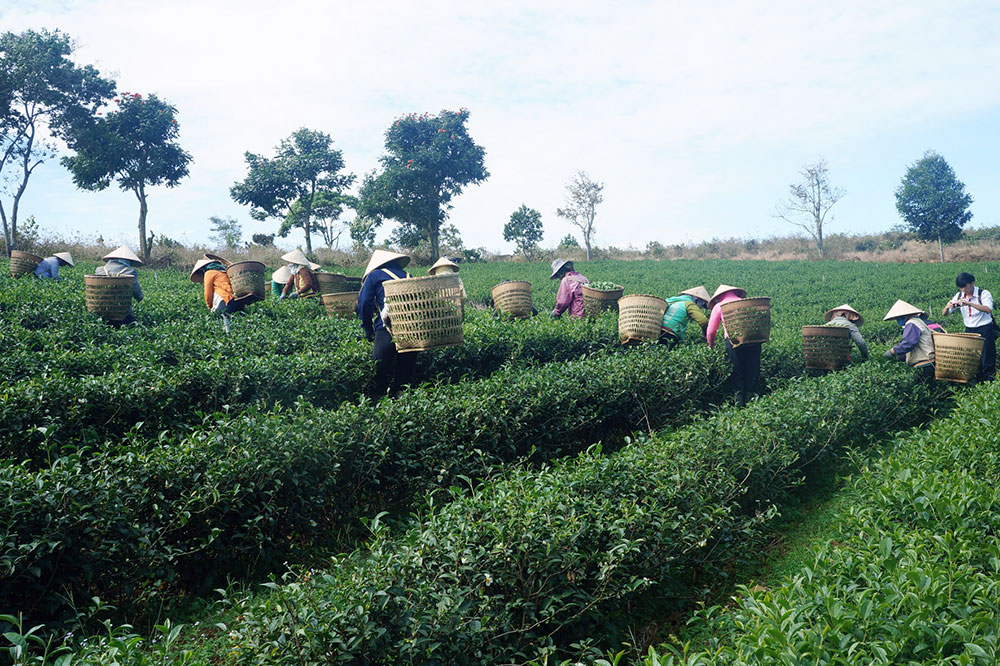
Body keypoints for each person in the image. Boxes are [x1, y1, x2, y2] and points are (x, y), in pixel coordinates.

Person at [357, 250, 415, 398]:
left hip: (386, 329)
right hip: (412, 330)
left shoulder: (375, 276)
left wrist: (368, 329)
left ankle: (378, 408)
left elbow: (364, 304)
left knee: (379, 374)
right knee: (404, 380)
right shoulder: (409, 276)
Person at [706, 284, 760, 405]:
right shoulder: (745, 303)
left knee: (736, 371)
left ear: (719, 296)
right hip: (754, 341)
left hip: (733, 342)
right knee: (752, 371)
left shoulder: (719, 306)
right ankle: (752, 403)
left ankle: (738, 404)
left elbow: (711, 331)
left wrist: (711, 345)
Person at [942, 272, 995, 381]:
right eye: (960, 287)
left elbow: (988, 309)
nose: (963, 290)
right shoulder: (959, 296)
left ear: (972, 283)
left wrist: (969, 304)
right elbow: (944, 314)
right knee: (973, 359)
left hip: (985, 328)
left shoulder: (983, 293)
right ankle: (978, 382)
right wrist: (948, 307)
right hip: (970, 330)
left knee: (987, 357)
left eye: (964, 287)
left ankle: (990, 381)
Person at [883, 299, 935, 378]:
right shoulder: (917, 321)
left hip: (924, 363)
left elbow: (908, 343)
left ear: (904, 315)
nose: (898, 320)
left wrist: (892, 351)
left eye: (898, 317)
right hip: (928, 361)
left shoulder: (912, 324)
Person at [95, 245, 143, 325]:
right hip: (123, 315)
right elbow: (137, 293)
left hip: (100, 313)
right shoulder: (130, 271)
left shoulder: (99, 270)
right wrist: (140, 297)